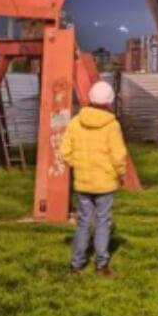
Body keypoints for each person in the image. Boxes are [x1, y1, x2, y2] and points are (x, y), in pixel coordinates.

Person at [60, 81, 127, 276]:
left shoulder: (75, 122)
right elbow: (118, 155)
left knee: (83, 222)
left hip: (82, 182)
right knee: (102, 222)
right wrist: (120, 173)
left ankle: (76, 264)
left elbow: (65, 152)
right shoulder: (112, 125)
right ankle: (101, 265)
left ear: (90, 98)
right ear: (109, 101)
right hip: (105, 183)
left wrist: (78, 165)